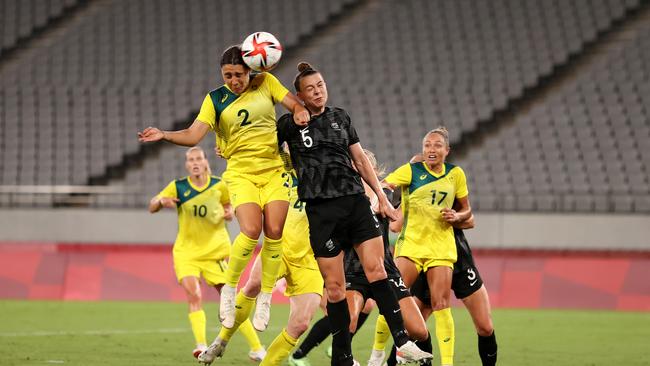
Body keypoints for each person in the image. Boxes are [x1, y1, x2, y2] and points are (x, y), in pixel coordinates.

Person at [138, 45, 310, 331]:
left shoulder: (266, 82)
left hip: (273, 170)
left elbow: (293, 104)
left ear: (250, 70)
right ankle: (229, 290)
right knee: (251, 230)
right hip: (241, 173)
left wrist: (300, 111)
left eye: (239, 74)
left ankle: (265, 297)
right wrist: (165, 134)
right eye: (228, 75)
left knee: (275, 232)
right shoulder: (215, 99)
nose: (234, 81)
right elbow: (194, 133)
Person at [277, 62, 433, 366]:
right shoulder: (288, 124)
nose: (318, 91)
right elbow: (267, 152)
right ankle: (343, 356)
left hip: (354, 203)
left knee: (378, 270)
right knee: (335, 290)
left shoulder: (340, 117)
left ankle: (402, 343)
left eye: (321, 85)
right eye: (311, 88)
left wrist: (380, 198)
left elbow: (360, 159)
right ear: (299, 95)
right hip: (320, 211)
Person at [148, 146, 266, 361]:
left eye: (198, 158)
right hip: (187, 253)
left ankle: (257, 348)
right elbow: (152, 205)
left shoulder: (219, 185)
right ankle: (201, 345)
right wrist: (160, 202)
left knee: (229, 301)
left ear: (204, 162)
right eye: (190, 159)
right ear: (187, 164)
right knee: (195, 294)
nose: (194, 162)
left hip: (215, 253)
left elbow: (232, 207)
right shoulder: (178, 187)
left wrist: (229, 211)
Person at [198, 169, 323, 365]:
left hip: (311, 261)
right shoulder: (278, 169)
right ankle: (221, 341)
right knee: (253, 285)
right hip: (280, 248)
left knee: (300, 324)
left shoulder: (327, 175)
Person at [382, 128, 472, 366]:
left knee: (442, 303)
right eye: (428, 145)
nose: (432, 150)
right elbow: (385, 184)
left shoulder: (456, 174)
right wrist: (380, 196)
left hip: (441, 248)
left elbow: (467, 209)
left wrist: (458, 215)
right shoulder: (411, 170)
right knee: (392, 297)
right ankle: (376, 357)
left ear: (447, 150)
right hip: (411, 246)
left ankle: (448, 363)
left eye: (437, 146)